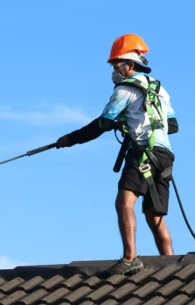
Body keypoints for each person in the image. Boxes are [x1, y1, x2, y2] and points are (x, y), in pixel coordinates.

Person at [56, 34, 179, 275]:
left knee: (124, 203)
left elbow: (102, 123)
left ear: (130, 64)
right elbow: (172, 126)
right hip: (165, 155)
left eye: (117, 65)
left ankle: (130, 258)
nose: (114, 70)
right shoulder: (160, 89)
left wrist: (69, 139)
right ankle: (172, 265)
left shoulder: (125, 89)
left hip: (143, 152)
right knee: (155, 216)